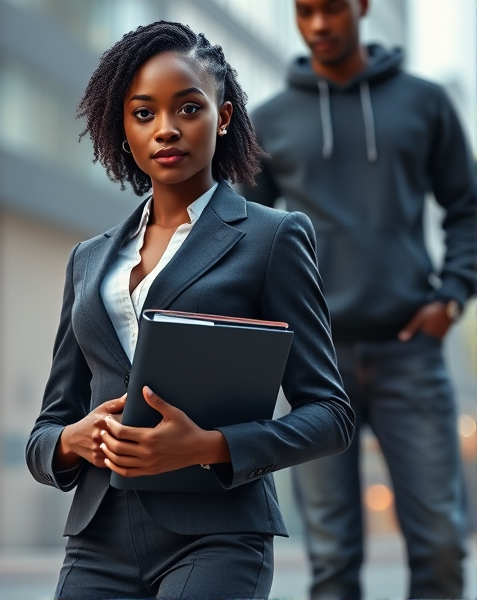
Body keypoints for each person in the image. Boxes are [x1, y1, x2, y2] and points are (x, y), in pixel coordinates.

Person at [26, 20, 355, 600]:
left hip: (219, 537)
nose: (166, 130)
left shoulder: (271, 238)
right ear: (123, 128)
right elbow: (49, 426)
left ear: (222, 117)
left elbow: (330, 414)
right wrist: (72, 440)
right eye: (144, 113)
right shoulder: (89, 259)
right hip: (97, 541)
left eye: (188, 108)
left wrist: (210, 446)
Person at [241, 1, 477, 598]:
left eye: (333, 9)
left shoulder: (424, 103)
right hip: (316, 366)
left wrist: (450, 298)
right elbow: (243, 235)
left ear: (363, 6)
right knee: (332, 560)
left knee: (442, 547)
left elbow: (467, 207)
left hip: (410, 350)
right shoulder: (268, 121)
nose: (319, 24)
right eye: (305, 11)